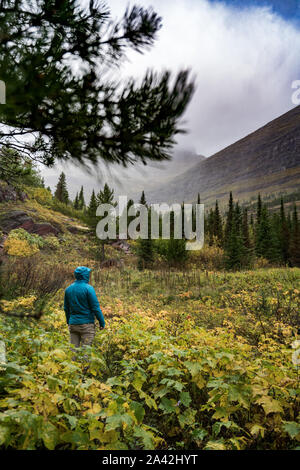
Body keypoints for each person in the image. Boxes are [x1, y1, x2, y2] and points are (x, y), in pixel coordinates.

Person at [64, 266, 105, 349]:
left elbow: (66, 308)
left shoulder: (68, 289)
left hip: (73, 324)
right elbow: (95, 308)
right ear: (85, 276)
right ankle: (83, 362)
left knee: (73, 352)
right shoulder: (88, 288)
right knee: (85, 353)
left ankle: (73, 362)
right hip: (86, 325)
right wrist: (102, 322)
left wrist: (69, 321)